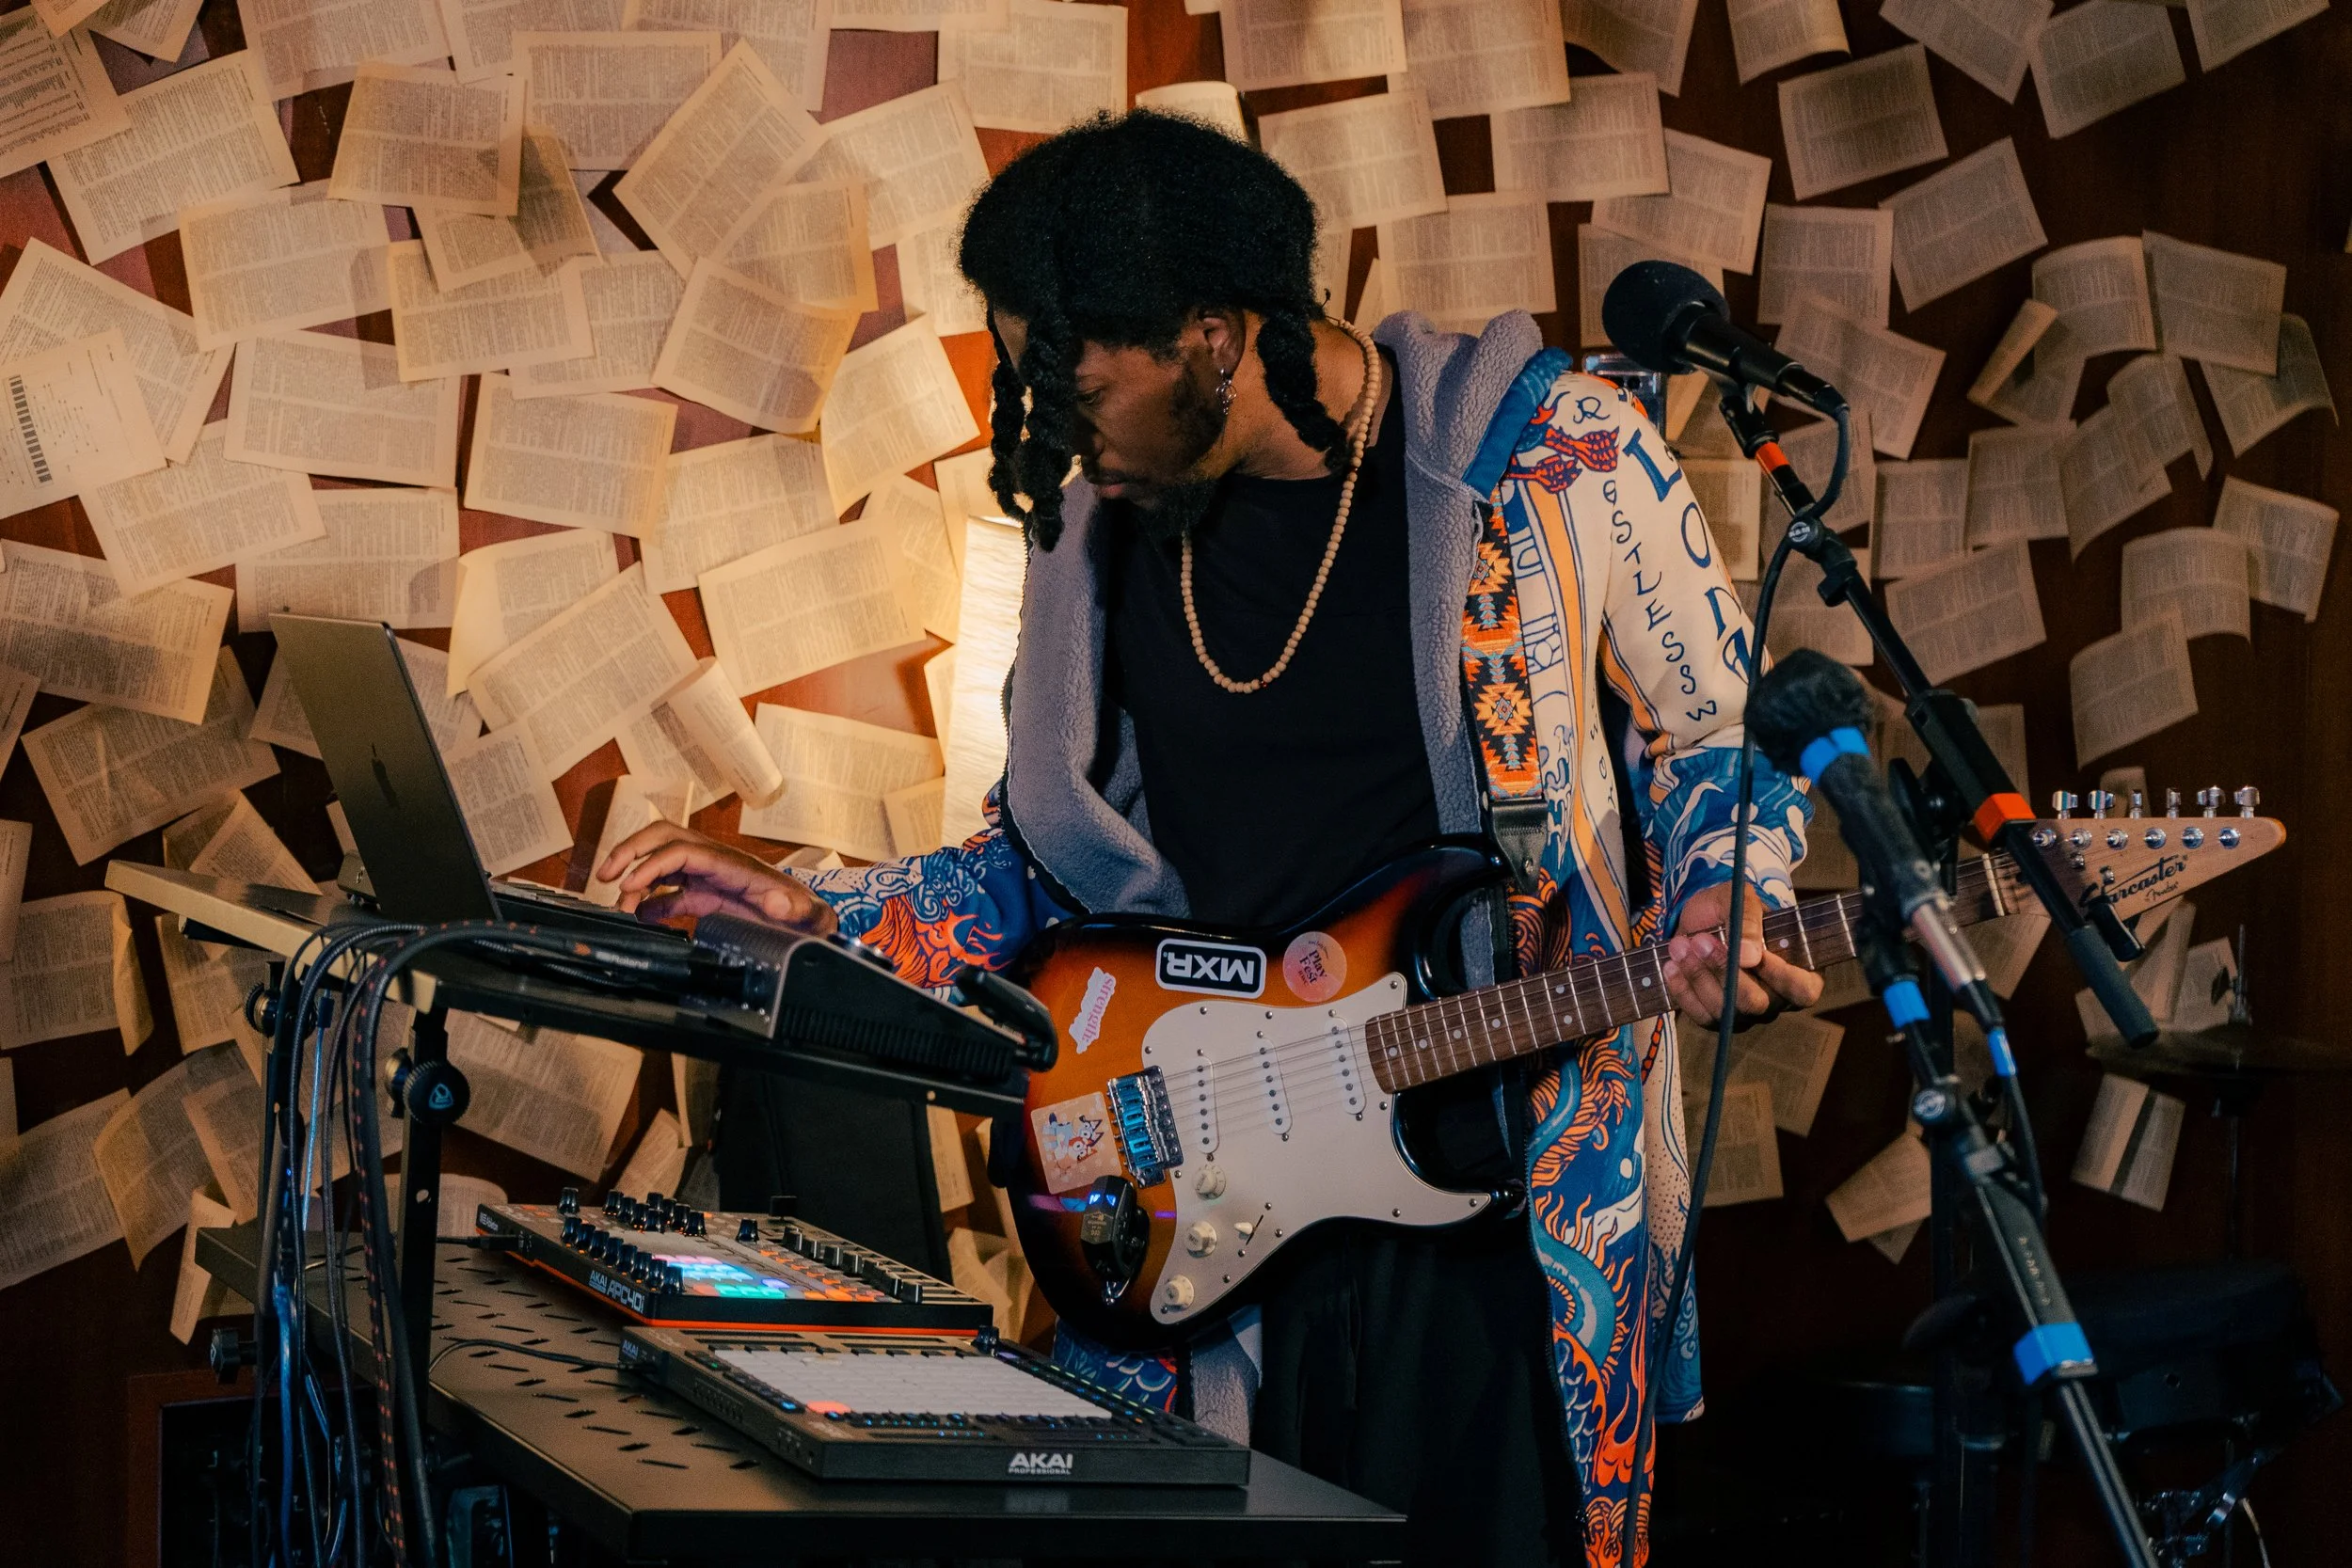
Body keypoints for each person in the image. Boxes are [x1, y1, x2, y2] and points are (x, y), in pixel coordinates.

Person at [596, 111, 1820, 1568]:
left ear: (1216, 337)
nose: (1044, 421)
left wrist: (1722, 888)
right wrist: (821, 916)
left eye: (1071, 376)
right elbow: (1051, 873)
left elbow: (1721, 731)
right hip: (1207, 1227)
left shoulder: (1552, 453)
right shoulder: (1098, 536)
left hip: (1502, 1222)